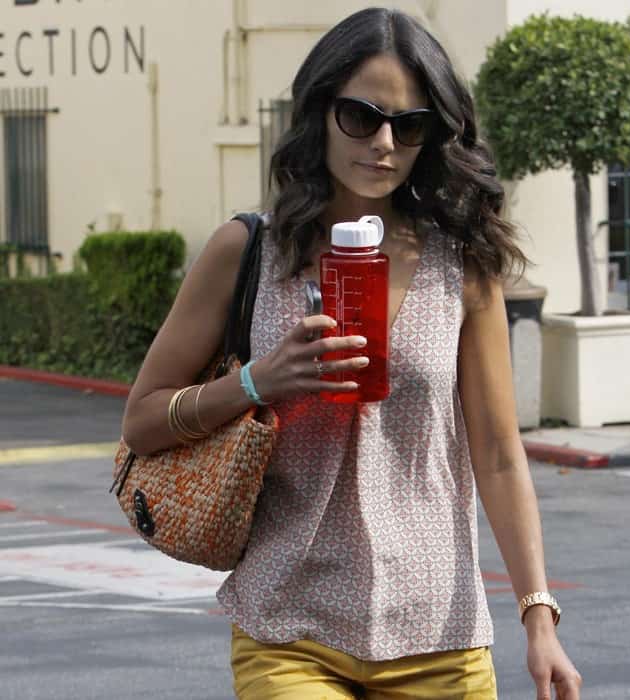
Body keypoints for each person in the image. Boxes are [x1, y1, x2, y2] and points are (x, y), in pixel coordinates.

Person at [122, 7, 582, 699]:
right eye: (362, 116)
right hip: (290, 628)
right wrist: (257, 381)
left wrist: (539, 616)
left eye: (410, 124)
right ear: (321, 113)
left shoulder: (463, 265)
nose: (385, 142)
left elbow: (496, 452)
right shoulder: (249, 251)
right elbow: (143, 420)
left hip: (440, 633)